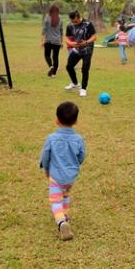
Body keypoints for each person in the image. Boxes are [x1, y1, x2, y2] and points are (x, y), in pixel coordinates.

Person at [38, 101, 86, 241]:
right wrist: (75, 164)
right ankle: (64, 214)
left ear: (57, 119)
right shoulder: (78, 139)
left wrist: (46, 169)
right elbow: (82, 156)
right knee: (65, 194)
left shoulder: (51, 139)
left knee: (55, 201)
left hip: (56, 176)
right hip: (71, 177)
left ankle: (61, 222)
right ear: (76, 121)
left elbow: (45, 156)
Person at [64, 10, 96, 98]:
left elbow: (94, 37)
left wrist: (86, 42)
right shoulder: (70, 25)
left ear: (79, 17)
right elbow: (66, 37)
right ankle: (75, 83)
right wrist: (70, 43)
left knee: (85, 69)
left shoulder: (88, 24)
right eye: (73, 21)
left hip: (87, 50)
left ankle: (83, 89)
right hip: (77, 49)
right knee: (69, 66)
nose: (74, 23)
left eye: (76, 21)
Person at [41, 5, 64, 77]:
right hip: (57, 41)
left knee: (47, 55)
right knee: (55, 57)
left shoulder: (47, 18)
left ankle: (51, 67)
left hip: (48, 41)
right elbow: (61, 32)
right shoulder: (60, 19)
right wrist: (61, 42)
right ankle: (53, 73)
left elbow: (44, 30)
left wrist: (41, 41)